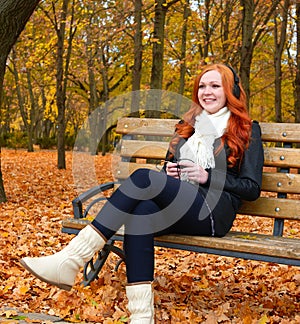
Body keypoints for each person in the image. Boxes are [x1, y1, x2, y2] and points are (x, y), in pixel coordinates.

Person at [21, 63, 264, 324]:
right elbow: (165, 171)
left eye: (215, 86)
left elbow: (252, 188)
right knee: (140, 214)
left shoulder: (247, 128)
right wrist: (169, 172)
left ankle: (71, 259)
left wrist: (209, 176)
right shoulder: (187, 127)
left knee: (143, 176)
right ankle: (142, 317)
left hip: (214, 212)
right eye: (202, 86)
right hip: (181, 204)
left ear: (230, 90)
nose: (207, 91)